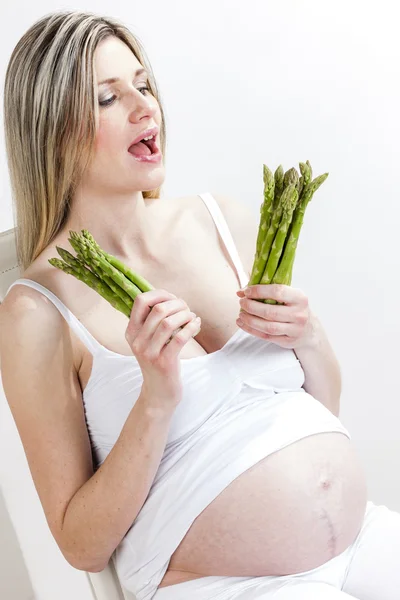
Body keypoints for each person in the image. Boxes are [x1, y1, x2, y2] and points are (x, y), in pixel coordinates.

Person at [0, 10, 399, 600]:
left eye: (144, 84)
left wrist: (307, 334)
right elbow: (81, 545)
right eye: (108, 98)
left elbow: (320, 411)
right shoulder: (35, 313)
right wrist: (156, 400)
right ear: (52, 129)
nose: (144, 108)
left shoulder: (223, 222)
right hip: (225, 583)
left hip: (360, 538)